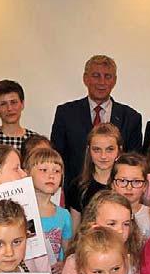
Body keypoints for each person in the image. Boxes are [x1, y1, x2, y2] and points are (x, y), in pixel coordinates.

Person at [51, 55, 143, 186]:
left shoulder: (131, 118)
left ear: (114, 81)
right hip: (75, 192)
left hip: (118, 193)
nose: (102, 82)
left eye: (107, 76)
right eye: (96, 76)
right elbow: (57, 159)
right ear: (85, 79)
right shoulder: (65, 114)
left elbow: (135, 163)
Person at [56, 191, 142, 274]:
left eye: (126, 224)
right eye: (112, 224)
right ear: (93, 225)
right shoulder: (75, 262)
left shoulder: (131, 258)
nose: (120, 230)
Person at [65, 123, 122, 228]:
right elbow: (75, 230)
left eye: (110, 149)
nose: (103, 156)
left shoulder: (126, 184)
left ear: (119, 150)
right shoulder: (78, 186)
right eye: (97, 149)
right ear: (89, 150)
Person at [0, 80, 38, 150]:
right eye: (3, 104)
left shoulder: (34, 139)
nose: (9, 108)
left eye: (13, 102)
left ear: (22, 104)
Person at [109, 152, 150, 239]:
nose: (129, 187)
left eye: (136, 182)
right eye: (123, 181)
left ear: (145, 186)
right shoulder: (105, 213)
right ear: (112, 184)